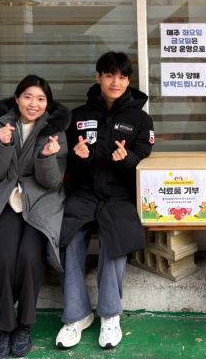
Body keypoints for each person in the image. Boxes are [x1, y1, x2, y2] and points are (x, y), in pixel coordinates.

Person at [0, 75, 71, 359]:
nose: (34, 104)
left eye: (41, 99)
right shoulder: (0, 126)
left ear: (47, 104)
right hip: (5, 203)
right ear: (17, 99)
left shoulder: (55, 131)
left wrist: (46, 157)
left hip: (39, 203)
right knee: (5, 259)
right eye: (28, 97)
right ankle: (4, 325)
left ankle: (25, 325)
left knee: (30, 258)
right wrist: (3, 145)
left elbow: (53, 182)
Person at [56, 51, 154, 350]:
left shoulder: (140, 118)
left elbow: (144, 158)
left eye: (122, 76)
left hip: (121, 194)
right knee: (69, 239)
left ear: (129, 80)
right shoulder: (78, 116)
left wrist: (128, 159)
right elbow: (68, 162)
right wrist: (79, 157)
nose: (116, 82)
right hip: (84, 193)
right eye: (109, 75)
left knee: (116, 242)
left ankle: (110, 315)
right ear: (98, 77)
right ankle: (76, 316)